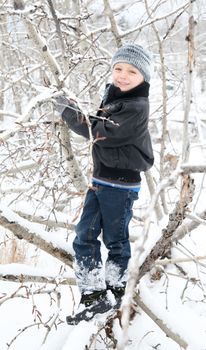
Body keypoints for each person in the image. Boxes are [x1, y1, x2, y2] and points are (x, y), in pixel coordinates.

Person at [55, 43, 154, 323]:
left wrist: (67, 110)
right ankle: (93, 296)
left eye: (131, 71)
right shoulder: (115, 96)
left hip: (120, 185)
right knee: (84, 235)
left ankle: (116, 289)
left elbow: (98, 131)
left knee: (115, 239)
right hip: (100, 179)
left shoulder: (136, 106)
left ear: (144, 78)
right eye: (118, 68)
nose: (122, 75)